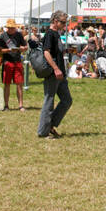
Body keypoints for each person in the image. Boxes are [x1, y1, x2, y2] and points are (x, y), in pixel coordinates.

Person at [36, 11, 73, 139]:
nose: (64, 25)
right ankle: (43, 132)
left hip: (61, 74)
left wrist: (65, 51)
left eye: (65, 22)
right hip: (53, 73)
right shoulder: (50, 34)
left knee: (67, 100)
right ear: (55, 21)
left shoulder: (57, 34)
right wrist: (56, 68)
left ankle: (51, 125)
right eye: (62, 22)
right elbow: (46, 53)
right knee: (49, 101)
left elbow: (56, 51)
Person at [0, 18, 26, 110]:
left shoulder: (19, 35)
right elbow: (0, 51)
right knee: (7, 84)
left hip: (17, 61)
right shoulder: (3, 36)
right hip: (7, 62)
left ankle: (21, 105)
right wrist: (9, 50)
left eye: (13, 28)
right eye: (9, 28)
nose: (11, 29)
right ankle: (6, 105)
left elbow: (25, 46)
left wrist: (23, 48)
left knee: (19, 84)